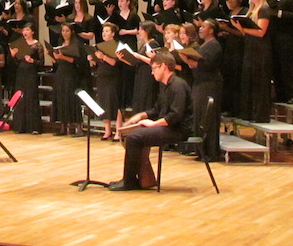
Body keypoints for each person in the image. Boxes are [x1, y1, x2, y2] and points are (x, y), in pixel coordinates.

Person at [108, 51, 192, 191]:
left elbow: (176, 115)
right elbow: (156, 110)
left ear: (163, 67)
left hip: (179, 130)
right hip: (171, 127)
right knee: (132, 133)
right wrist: (140, 116)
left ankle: (129, 181)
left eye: (154, 69)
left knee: (135, 137)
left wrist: (153, 124)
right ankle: (143, 179)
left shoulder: (178, 86)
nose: (152, 73)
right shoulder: (166, 86)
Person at [232, 0, 273, 122]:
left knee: (259, 82)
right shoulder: (252, 10)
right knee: (249, 81)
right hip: (250, 47)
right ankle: (249, 113)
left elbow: (261, 32)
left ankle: (260, 114)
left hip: (260, 50)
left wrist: (242, 29)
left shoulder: (264, 9)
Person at [182, 20, 222, 161]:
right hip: (200, 83)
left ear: (211, 30)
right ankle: (201, 150)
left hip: (209, 84)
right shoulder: (204, 44)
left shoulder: (214, 45)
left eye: (204, 26)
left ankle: (211, 152)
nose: (200, 28)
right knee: (199, 115)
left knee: (208, 117)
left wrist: (187, 60)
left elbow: (206, 64)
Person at [89, 23, 123, 140]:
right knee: (103, 103)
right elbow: (97, 63)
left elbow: (114, 62)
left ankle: (118, 132)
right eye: (103, 31)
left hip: (113, 78)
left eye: (107, 31)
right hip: (102, 76)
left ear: (113, 33)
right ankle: (107, 131)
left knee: (115, 104)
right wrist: (93, 59)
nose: (104, 33)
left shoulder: (117, 46)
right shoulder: (99, 46)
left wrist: (102, 57)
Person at [9, 22, 43, 134]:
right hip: (21, 72)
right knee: (20, 98)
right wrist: (13, 56)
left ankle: (33, 127)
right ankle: (20, 126)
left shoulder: (37, 45)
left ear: (32, 32)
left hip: (31, 72)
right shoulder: (19, 44)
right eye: (24, 30)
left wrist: (32, 61)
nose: (25, 32)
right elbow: (16, 63)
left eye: (27, 30)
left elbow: (41, 63)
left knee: (31, 97)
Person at [51, 23, 83, 137]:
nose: (65, 33)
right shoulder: (61, 44)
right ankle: (63, 126)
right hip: (61, 72)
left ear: (72, 32)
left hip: (71, 73)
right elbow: (57, 62)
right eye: (63, 31)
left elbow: (77, 61)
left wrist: (62, 57)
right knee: (61, 97)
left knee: (72, 99)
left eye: (67, 31)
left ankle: (78, 127)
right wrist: (51, 55)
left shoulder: (76, 44)